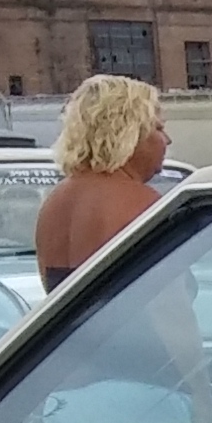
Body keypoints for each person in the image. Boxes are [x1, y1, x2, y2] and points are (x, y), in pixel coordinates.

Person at [38, 74, 167, 283]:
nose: (167, 140)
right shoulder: (139, 203)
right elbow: (168, 305)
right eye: (159, 128)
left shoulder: (56, 202)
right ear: (129, 132)